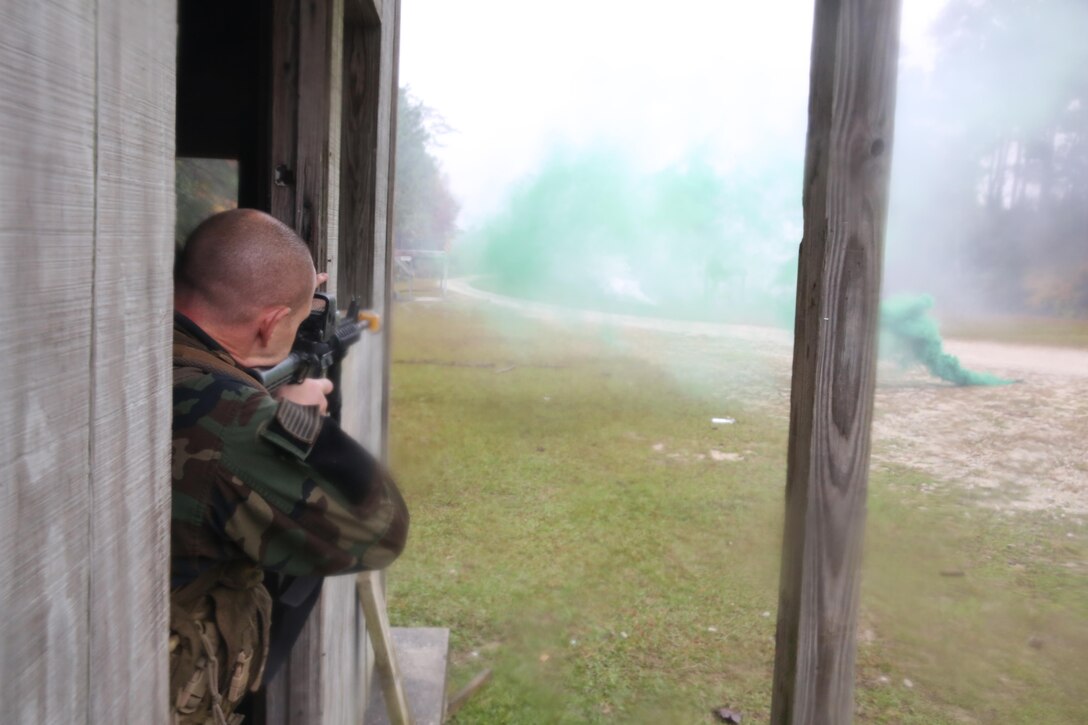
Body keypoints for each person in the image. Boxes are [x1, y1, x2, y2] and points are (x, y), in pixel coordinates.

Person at [170, 209, 409, 724]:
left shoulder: (148, 348)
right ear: (273, 322)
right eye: (295, 323)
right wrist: (299, 422)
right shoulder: (233, 418)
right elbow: (379, 531)